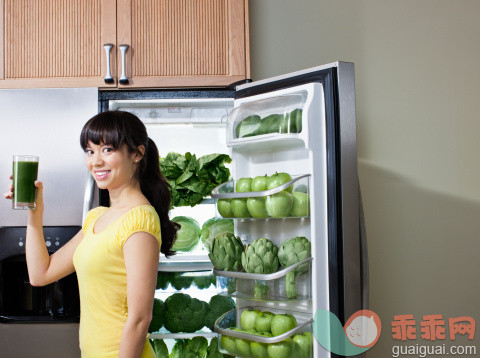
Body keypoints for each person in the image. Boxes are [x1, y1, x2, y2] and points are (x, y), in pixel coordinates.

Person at [4, 110, 178, 358]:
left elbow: (140, 319)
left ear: (137, 154)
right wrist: (34, 210)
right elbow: (40, 274)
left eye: (107, 149)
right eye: (90, 151)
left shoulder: (140, 219)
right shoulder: (97, 217)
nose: (95, 161)